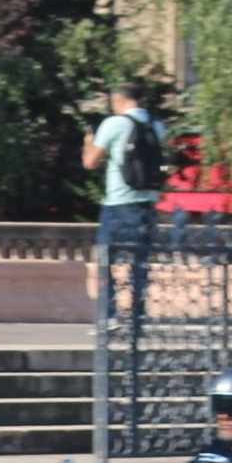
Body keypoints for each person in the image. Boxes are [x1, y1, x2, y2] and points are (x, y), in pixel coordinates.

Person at [84, 83, 163, 321]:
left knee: (105, 261)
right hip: (147, 204)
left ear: (118, 101)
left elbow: (90, 162)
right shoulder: (157, 126)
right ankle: (138, 316)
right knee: (140, 263)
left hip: (118, 204)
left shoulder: (114, 123)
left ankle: (108, 316)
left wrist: (89, 139)